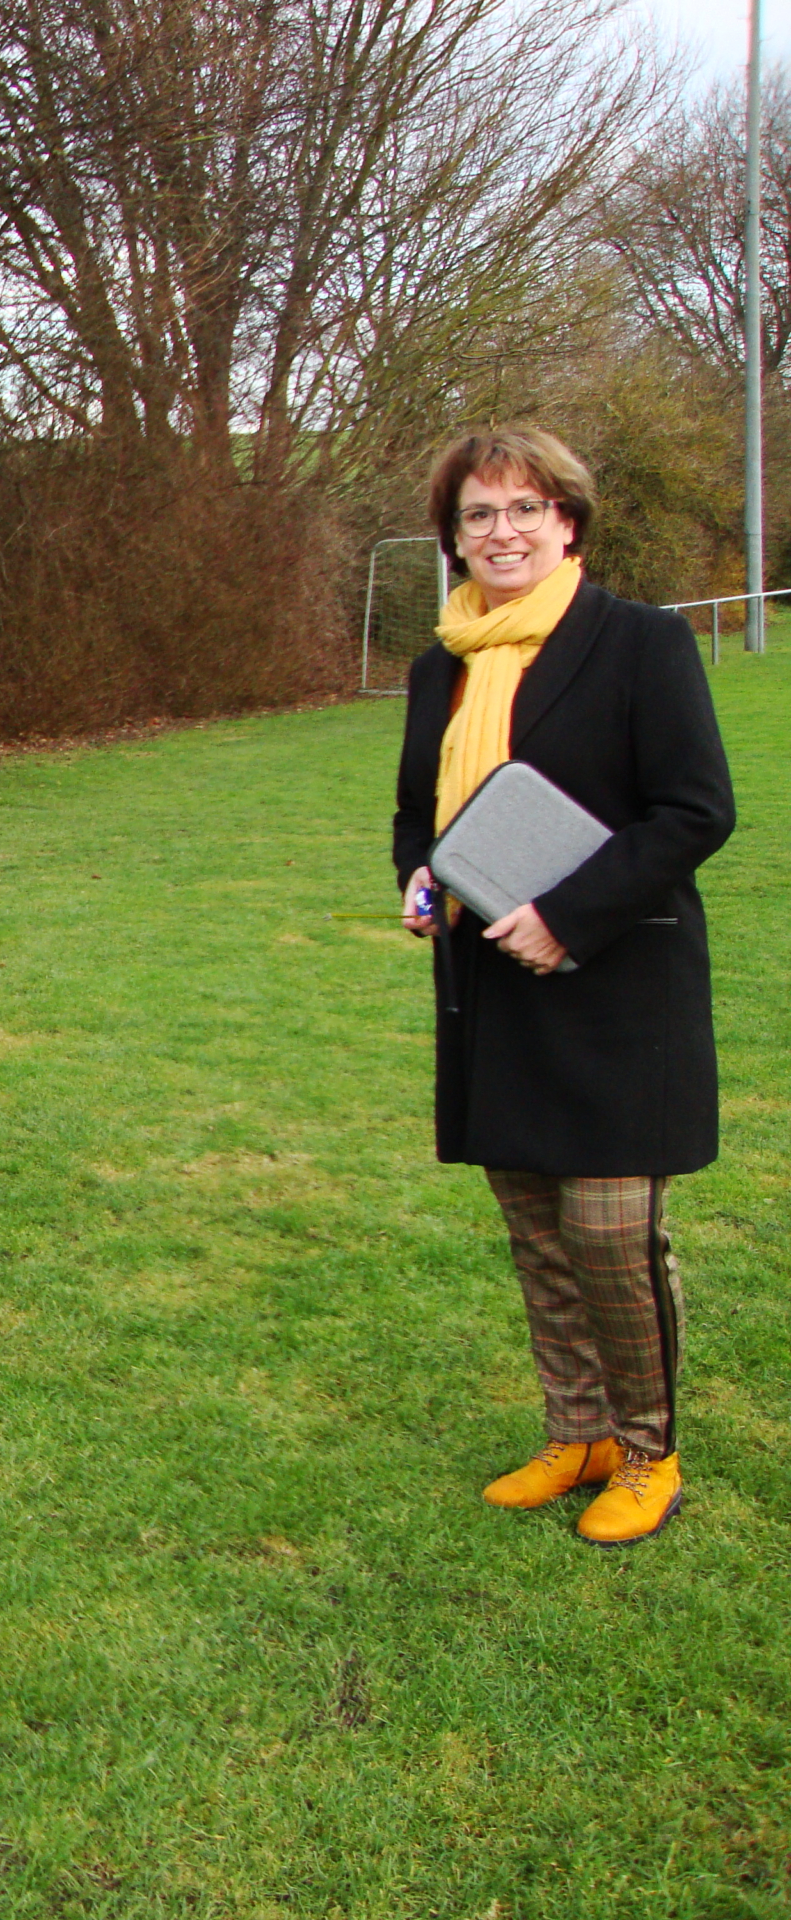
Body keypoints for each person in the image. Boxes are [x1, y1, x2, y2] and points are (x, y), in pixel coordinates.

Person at [394, 428, 734, 1547]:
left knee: (609, 1237)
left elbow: (693, 810)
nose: (501, 533)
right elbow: (417, 813)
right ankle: (575, 1431)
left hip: (613, 987)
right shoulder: (440, 665)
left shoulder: (639, 644)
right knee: (536, 1231)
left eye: (523, 510)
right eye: (479, 516)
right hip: (490, 992)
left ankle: (647, 1452)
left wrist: (566, 917)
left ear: (568, 521)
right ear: (453, 538)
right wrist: (414, 872)